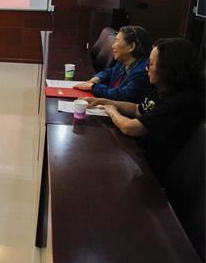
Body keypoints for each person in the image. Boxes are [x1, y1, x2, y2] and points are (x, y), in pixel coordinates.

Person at [87, 38, 205, 181]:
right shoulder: (166, 86)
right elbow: (137, 109)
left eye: (151, 64)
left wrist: (112, 111)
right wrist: (104, 101)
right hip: (142, 154)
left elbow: (131, 128)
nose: (146, 68)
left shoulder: (183, 100)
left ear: (169, 68)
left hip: (155, 171)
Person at [75, 26, 153, 103]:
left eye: (117, 41)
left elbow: (121, 96)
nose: (113, 46)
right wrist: (98, 78)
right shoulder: (124, 60)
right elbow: (110, 72)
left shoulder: (143, 72)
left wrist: (93, 87)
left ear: (131, 46)